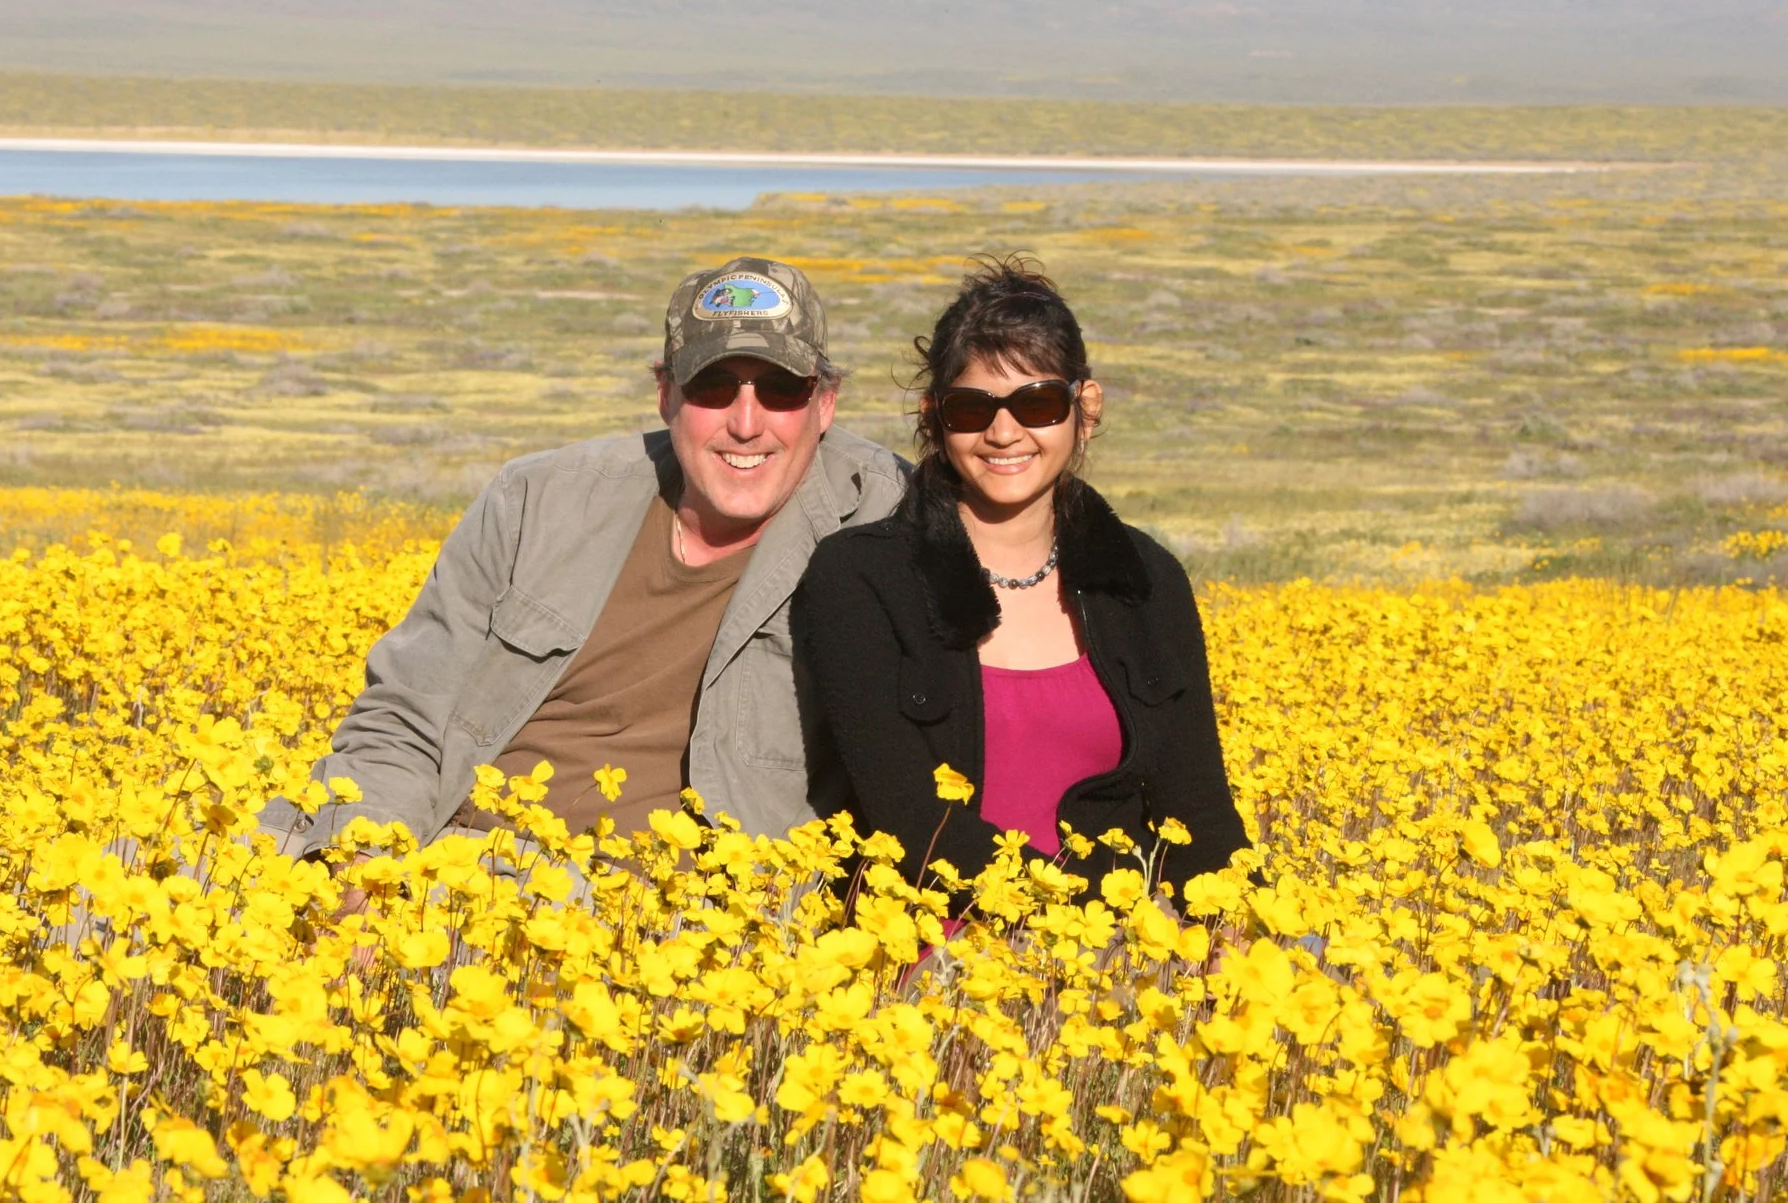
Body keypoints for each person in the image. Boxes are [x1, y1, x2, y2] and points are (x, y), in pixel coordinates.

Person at [271, 257, 907, 854]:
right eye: (713, 386)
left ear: (825, 403)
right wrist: (359, 859)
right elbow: (406, 714)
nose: (746, 422)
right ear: (667, 396)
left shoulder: (890, 519)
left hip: (659, 916)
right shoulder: (536, 501)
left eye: (782, 389)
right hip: (440, 857)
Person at [791, 258, 1249, 911]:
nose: (1004, 433)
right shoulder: (861, 580)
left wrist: (1249, 933)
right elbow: (913, 824)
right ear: (933, 416)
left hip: (1114, 963)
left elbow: (1198, 810)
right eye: (971, 408)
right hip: (929, 961)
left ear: (1083, 408)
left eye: (1036, 403)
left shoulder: (1144, 582)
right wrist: (1087, 926)